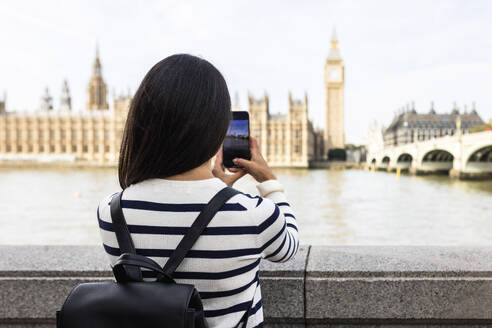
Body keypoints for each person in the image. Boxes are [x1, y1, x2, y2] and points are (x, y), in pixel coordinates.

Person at [97, 54, 299, 328]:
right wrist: (269, 181)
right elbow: (288, 248)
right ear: (217, 130)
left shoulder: (111, 211)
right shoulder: (252, 214)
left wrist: (218, 196)